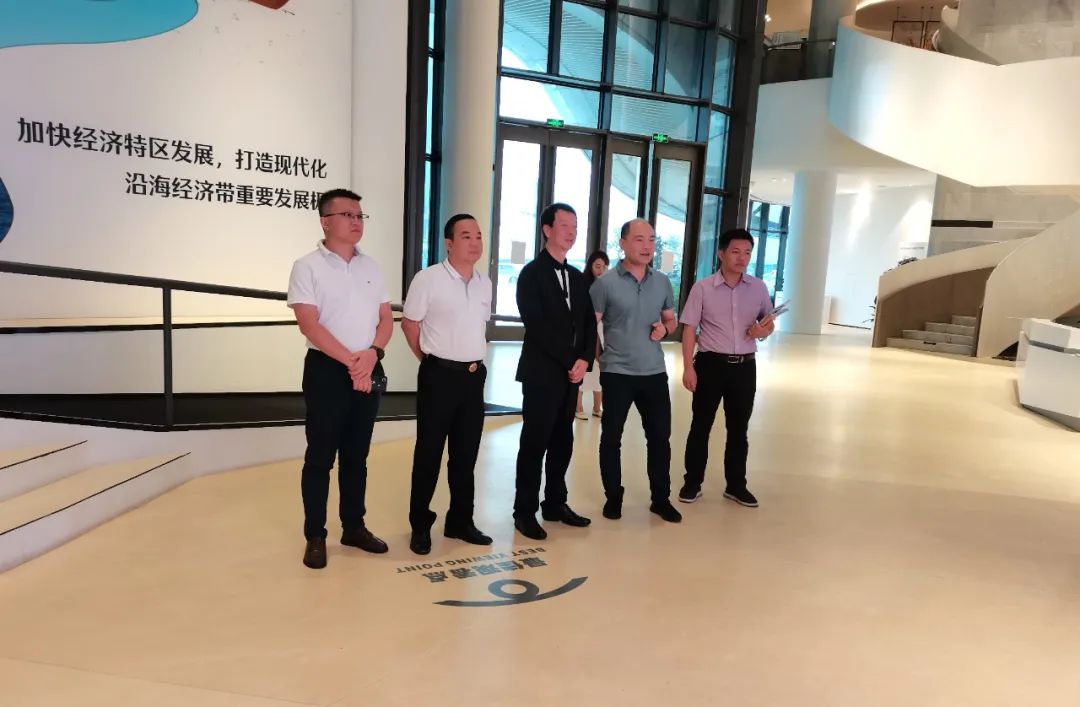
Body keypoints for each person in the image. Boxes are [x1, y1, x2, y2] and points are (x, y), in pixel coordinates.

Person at [287, 188, 393, 570]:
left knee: (356, 455)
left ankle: (354, 526)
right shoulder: (307, 266)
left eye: (360, 215)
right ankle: (315, 535)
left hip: (368, 363)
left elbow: (386, 318)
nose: (356, 221)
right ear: (325, 222)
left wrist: (372, 354)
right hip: (327, 370)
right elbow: (309, 324)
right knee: (320, 456)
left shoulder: (372, 267)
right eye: (348, 215)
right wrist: (353, 363)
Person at [401, 214, 493, 555]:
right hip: (439, 375)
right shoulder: (428, 279)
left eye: (478, 235)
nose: (475, 242)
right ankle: (420, 525)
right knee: (429, 453)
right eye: (466, 236)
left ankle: (460, 521)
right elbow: (410, 325)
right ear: (449, 243)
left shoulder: (484, 283)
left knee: (465, 454)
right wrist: (429, 361)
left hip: (474, 377)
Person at [513, 203, 597, 540]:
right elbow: (536, 325)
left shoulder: (576, 277)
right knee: (535, 443)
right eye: (564, 225)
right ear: (547, 230)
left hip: (571, 374)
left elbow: (588, 323)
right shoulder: (531, 274)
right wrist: (569, 360)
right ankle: (524, 512)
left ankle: (555, 503)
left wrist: (585, 359)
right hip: (542, 373)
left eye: (575, 226)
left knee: (563, 440)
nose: (571, 232)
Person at [589, 218, 681, 523]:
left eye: (651, 240)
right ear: (623, 243)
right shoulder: (605, 284)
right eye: (639, 239)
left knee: (660, 438)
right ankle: (613, 497)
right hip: (617, 372)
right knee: (611, 437)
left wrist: (664, 330)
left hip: (654, 372)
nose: (647, 246)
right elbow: (590, 327)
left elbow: (671, 320)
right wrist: (600, 358)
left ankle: (661, 499)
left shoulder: (662, 282)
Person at [679, 228, 775, 508]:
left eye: (747, 253)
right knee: (701, 425)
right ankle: (692, 482)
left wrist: (763, 332)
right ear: (721, 253)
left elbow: (768, 322)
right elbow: (689, 329)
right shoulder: (703, 288)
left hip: (745, 367)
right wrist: (688, 368)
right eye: (735, 251)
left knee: (738, 429)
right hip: (710, 364)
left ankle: (736, 485)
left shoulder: (758, 288)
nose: (742, 258)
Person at [576, 251, 609, 421]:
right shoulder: (583, 284)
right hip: (588, 331)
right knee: (586, 369)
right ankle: (578, 406)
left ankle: (597, 407)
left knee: (599, 370)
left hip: (604, 331)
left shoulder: (609, 285)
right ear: (590, 267)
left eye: (604, 267)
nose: (601, 270)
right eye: (597, 266)